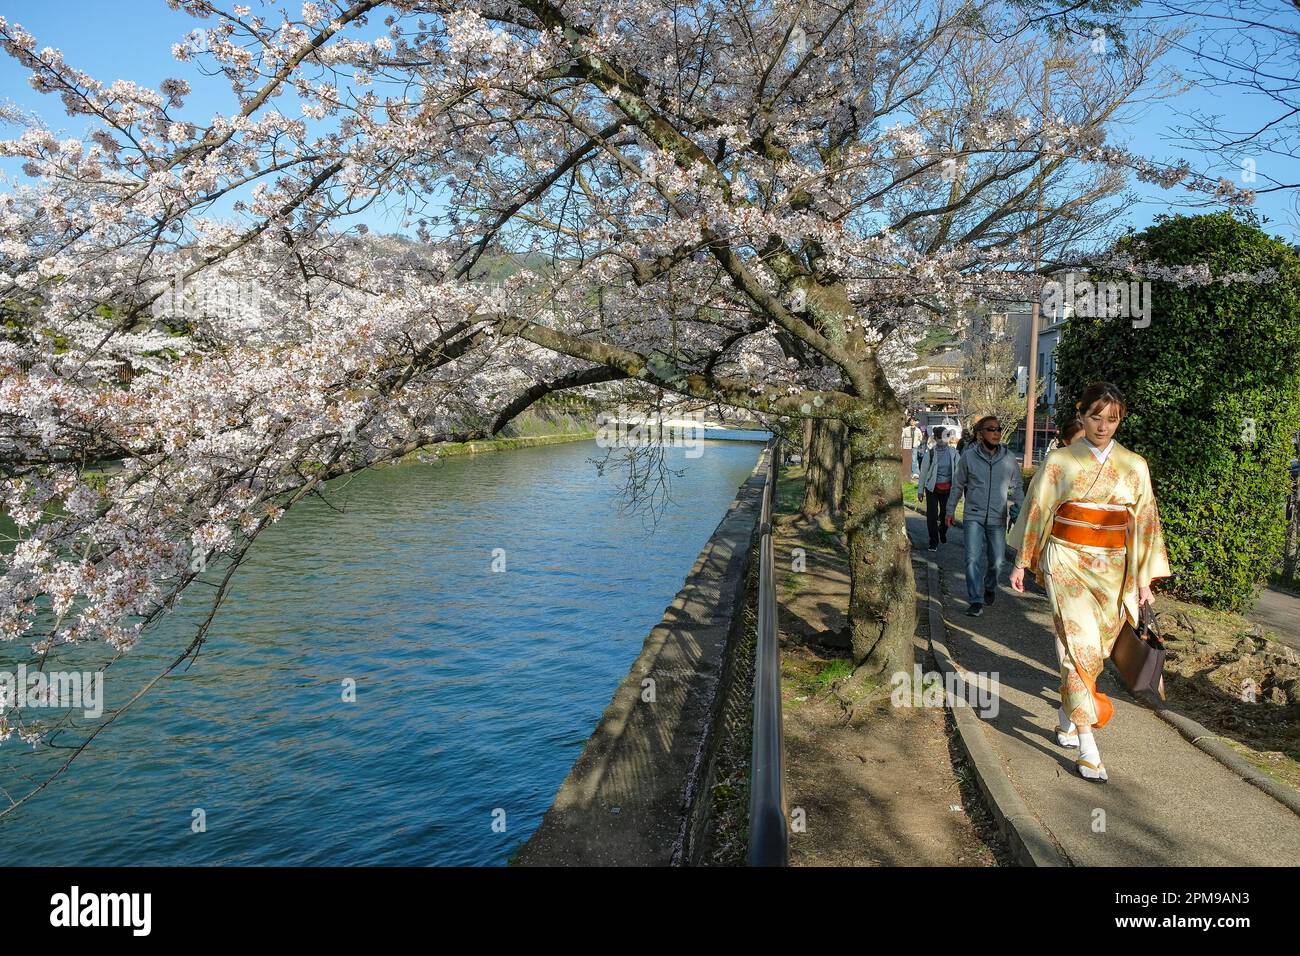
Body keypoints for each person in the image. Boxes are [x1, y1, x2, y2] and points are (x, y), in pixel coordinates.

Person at [1007, 383, 1171, 783]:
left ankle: (1067, 712)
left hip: (1113, 568)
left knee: (1094, 652)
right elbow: (1038, 509)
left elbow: (1145, 522)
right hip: (1066, 558)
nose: (1102, 426)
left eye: (1112, 419)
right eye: (1095, 417)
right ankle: (1088, 745)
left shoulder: (1134, 465)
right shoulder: (1061, 461)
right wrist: (1024, 559)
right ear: (1081, 416)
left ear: (1120, 420)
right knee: (1078, 646)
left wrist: (1144, 579)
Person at [947, 415, 1024, 618]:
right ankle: (975, 600)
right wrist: (949, 510)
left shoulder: (1008, 458)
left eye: (998, 429)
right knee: (972, 558)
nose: (996, 433)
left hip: (998, 517)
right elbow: (958, 485)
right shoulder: (968, 457)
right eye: (991, 429)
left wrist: (1022, 509)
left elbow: (1017, 486)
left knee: (997, 562)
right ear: (980, 434)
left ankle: (990, 585)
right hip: (973, 515)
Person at [918, 426, 959, 551]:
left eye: (945, 437)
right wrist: (920, 490)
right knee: (932, 516)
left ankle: (942, 531)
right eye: (939, 438)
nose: (942, 440)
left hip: (948, 489)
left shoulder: (954, 453)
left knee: (945, 515)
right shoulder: (930, 453)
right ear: (935, 438)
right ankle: (933, 541)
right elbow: (924, 472)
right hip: (932, 488)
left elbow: (959, 472)